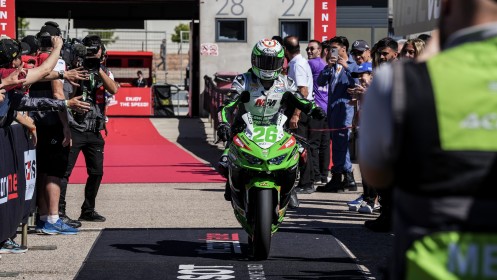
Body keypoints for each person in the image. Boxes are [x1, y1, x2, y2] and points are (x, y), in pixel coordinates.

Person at [360, 0, 497, 278]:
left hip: (432, 267)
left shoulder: (396, 83)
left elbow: (377, 174)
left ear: (445, 8)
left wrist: (420, 69)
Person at [217, 38, 325, 205]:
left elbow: (301, 99)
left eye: (272, 61)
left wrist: (314, 109)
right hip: (243, 129)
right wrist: (223, 124)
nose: (268, 65)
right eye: (264, 61)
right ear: (254, 60)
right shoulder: (243, 80)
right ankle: (234, 187)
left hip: (276, 128)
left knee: (301, 153)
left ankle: (288, 191)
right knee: (224, 162)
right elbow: (226, 106)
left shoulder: (285, 82)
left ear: (281, 61)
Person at [60, 35, 119, 223]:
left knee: (96, 172)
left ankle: (88, 209)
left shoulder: (104, 71)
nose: (94, 53)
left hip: (94, 129)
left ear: (101, 51)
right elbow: (65, 95)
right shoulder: (73, 69)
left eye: (96, 49)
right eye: (90, 50)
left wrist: (98, 69)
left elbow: (114, 90)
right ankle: (59, 212)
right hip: (75, 127)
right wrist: (81, 70)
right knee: (64, 172)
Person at [316, 36, 357, 193]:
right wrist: (328, 65)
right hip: (333, 110)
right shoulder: (332, 66)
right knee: (337, 142)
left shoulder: (352, 64)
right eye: (330, 49)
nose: (331, 51)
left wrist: (346, 66)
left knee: (342, 142)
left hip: (346, 108)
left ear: (343, 49)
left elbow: (357, 82)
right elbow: (320, 81)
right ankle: (340, 177)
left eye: (334, 48)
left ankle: (346, 176)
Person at [283, 35, 315, 197]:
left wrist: (296, 114)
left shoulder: (297, 65)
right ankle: (305, 180)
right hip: (299, 108)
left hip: (299, 110)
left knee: (301, 146)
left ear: (285, 50)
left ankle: (306, 182)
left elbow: (303, 90)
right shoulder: (299, 62)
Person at [306, 39, 330, 187]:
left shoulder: (312, 63)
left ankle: (315, 175)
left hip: (317, 109)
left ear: (320, 50)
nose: (309, 52)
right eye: (307, 49)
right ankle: (323, 175)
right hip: (328, 109)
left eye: (312, 49)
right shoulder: (327, 66)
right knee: (324, 144)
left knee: (313, 144)